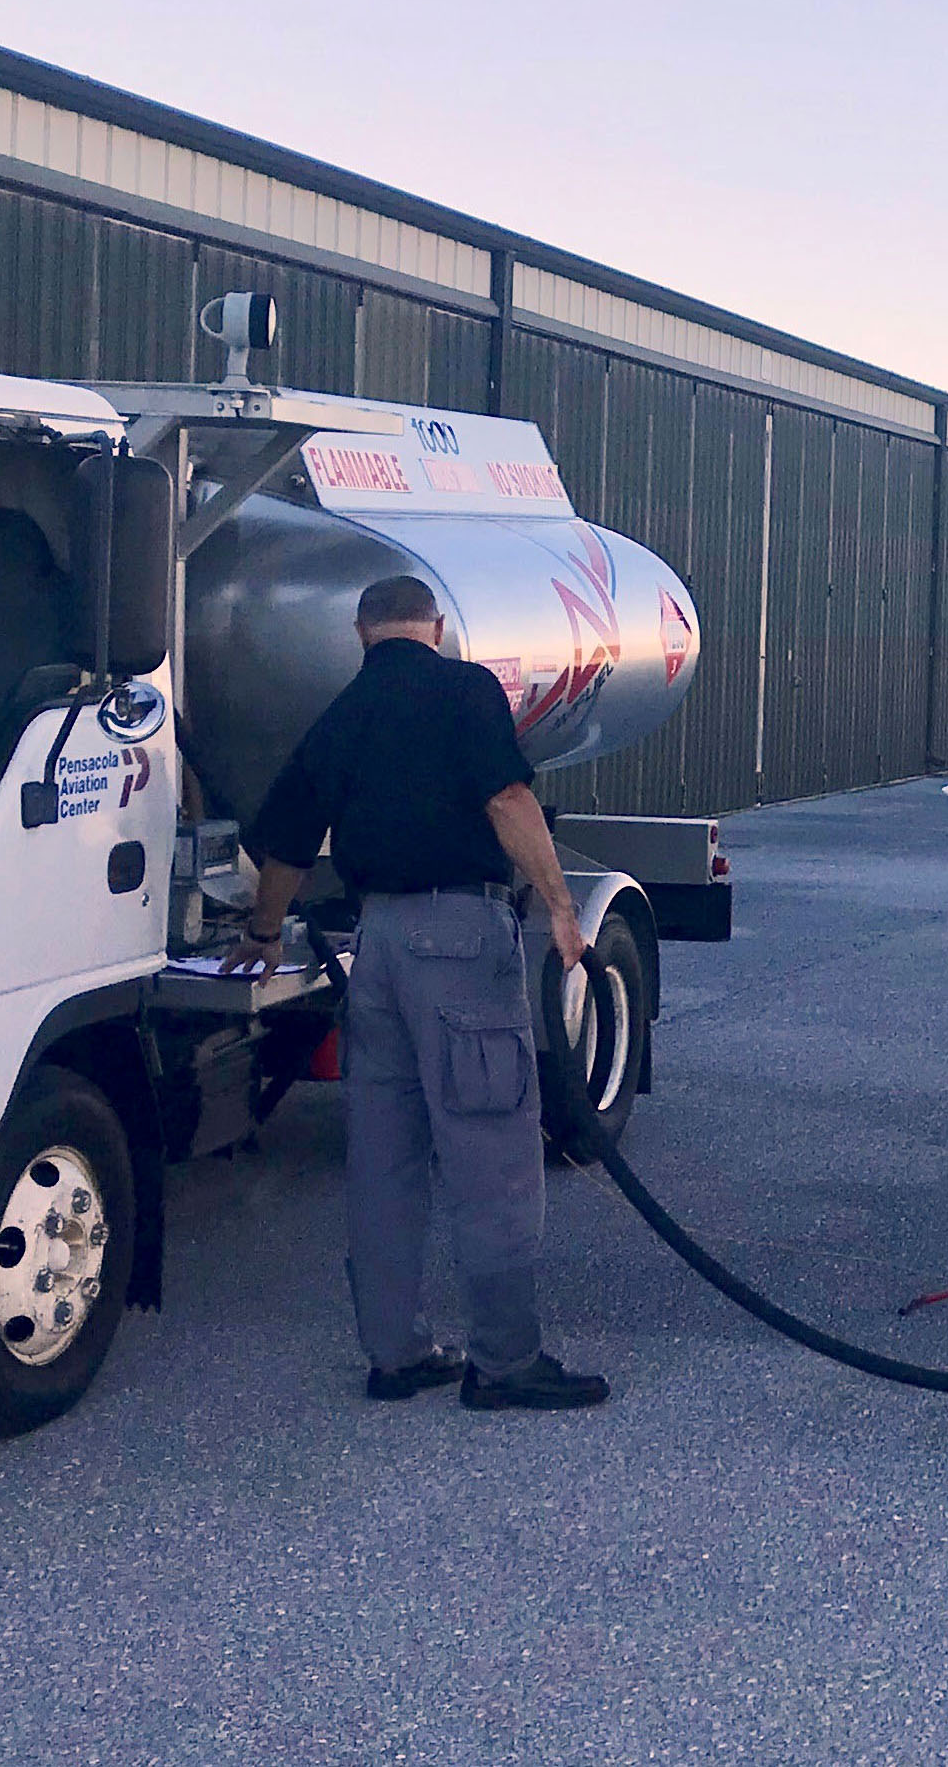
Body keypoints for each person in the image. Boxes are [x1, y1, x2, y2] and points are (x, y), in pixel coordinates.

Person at [223, 575, 611, 1412]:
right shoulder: (465, 688)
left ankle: (394, 1354)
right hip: (459, 938)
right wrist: (558, 906)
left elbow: (285, 845)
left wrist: (260, 936)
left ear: (361, 634)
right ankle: (505, 1363)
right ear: (435, 627)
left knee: (383, 1158)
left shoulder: (342, 712)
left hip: (379, 947)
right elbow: (507, 797)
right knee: (492, 1154)